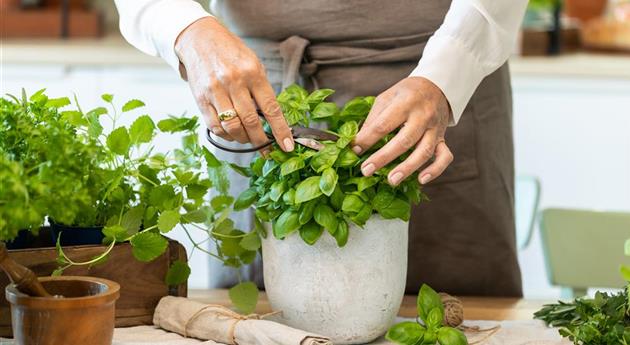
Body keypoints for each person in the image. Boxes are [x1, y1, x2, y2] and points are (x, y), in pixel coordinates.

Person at [115, 0, 528, 296]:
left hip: (439, 74)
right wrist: (186, 28)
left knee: (463, 306)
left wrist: (446, 73)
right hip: (257, 91)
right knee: (260, 312)